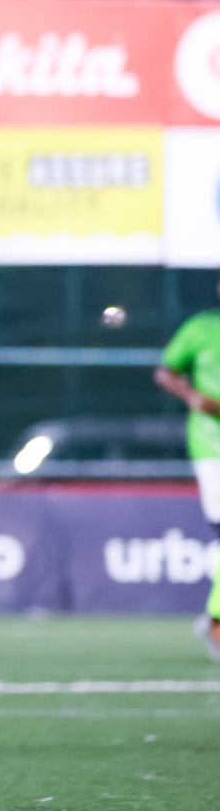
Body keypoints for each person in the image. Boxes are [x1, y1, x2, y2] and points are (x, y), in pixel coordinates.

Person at [155, 276, 220, 661]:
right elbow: (165, 371)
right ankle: (215, 620)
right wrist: (193, 395)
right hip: (213, 448)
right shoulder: (201, 328)